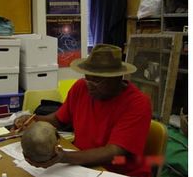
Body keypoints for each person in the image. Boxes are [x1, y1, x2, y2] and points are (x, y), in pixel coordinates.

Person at [14, 44, 152, 177]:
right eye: (87, 78)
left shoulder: (137, 103)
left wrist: (63, 157)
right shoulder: (82, 88)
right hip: (84, 166)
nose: (89, 85)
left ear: (117, 77)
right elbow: (58, 120)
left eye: (96, 81)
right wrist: (33, 119)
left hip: (119, 170)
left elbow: (113, 153)